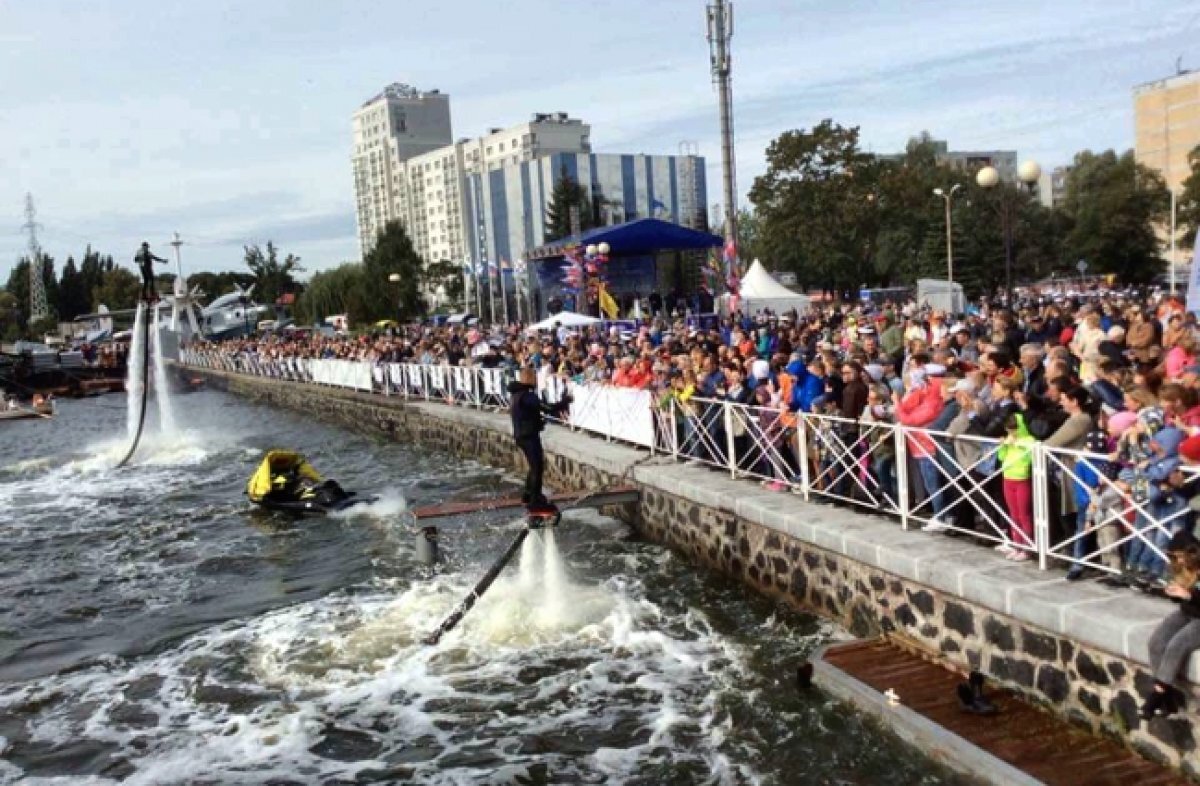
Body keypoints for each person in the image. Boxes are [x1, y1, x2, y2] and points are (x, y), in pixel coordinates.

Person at [1142, 530, 1200, 719]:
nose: (1179, 561)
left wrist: (1189, 595)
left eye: (1181, 557)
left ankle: (1157, 695)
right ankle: (1169, 698)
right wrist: (1172, 594)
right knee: (1156, 643)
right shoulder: (1181, 568)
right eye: (1176, 557)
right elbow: (1184, 602)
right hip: (1189, 611)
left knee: (1177, 644)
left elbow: (1192, 597)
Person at [508, 365, 572, 510]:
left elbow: (528, 414)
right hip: (528, 436)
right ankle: (534, 500)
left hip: (522, 435)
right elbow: (548, 408)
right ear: (530, 378)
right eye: (535, 377)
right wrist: (565, 401)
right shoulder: (527, 396)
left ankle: (528, 494)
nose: (537, 380)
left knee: (533, 466)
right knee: (537, 467)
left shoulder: (516, 395)